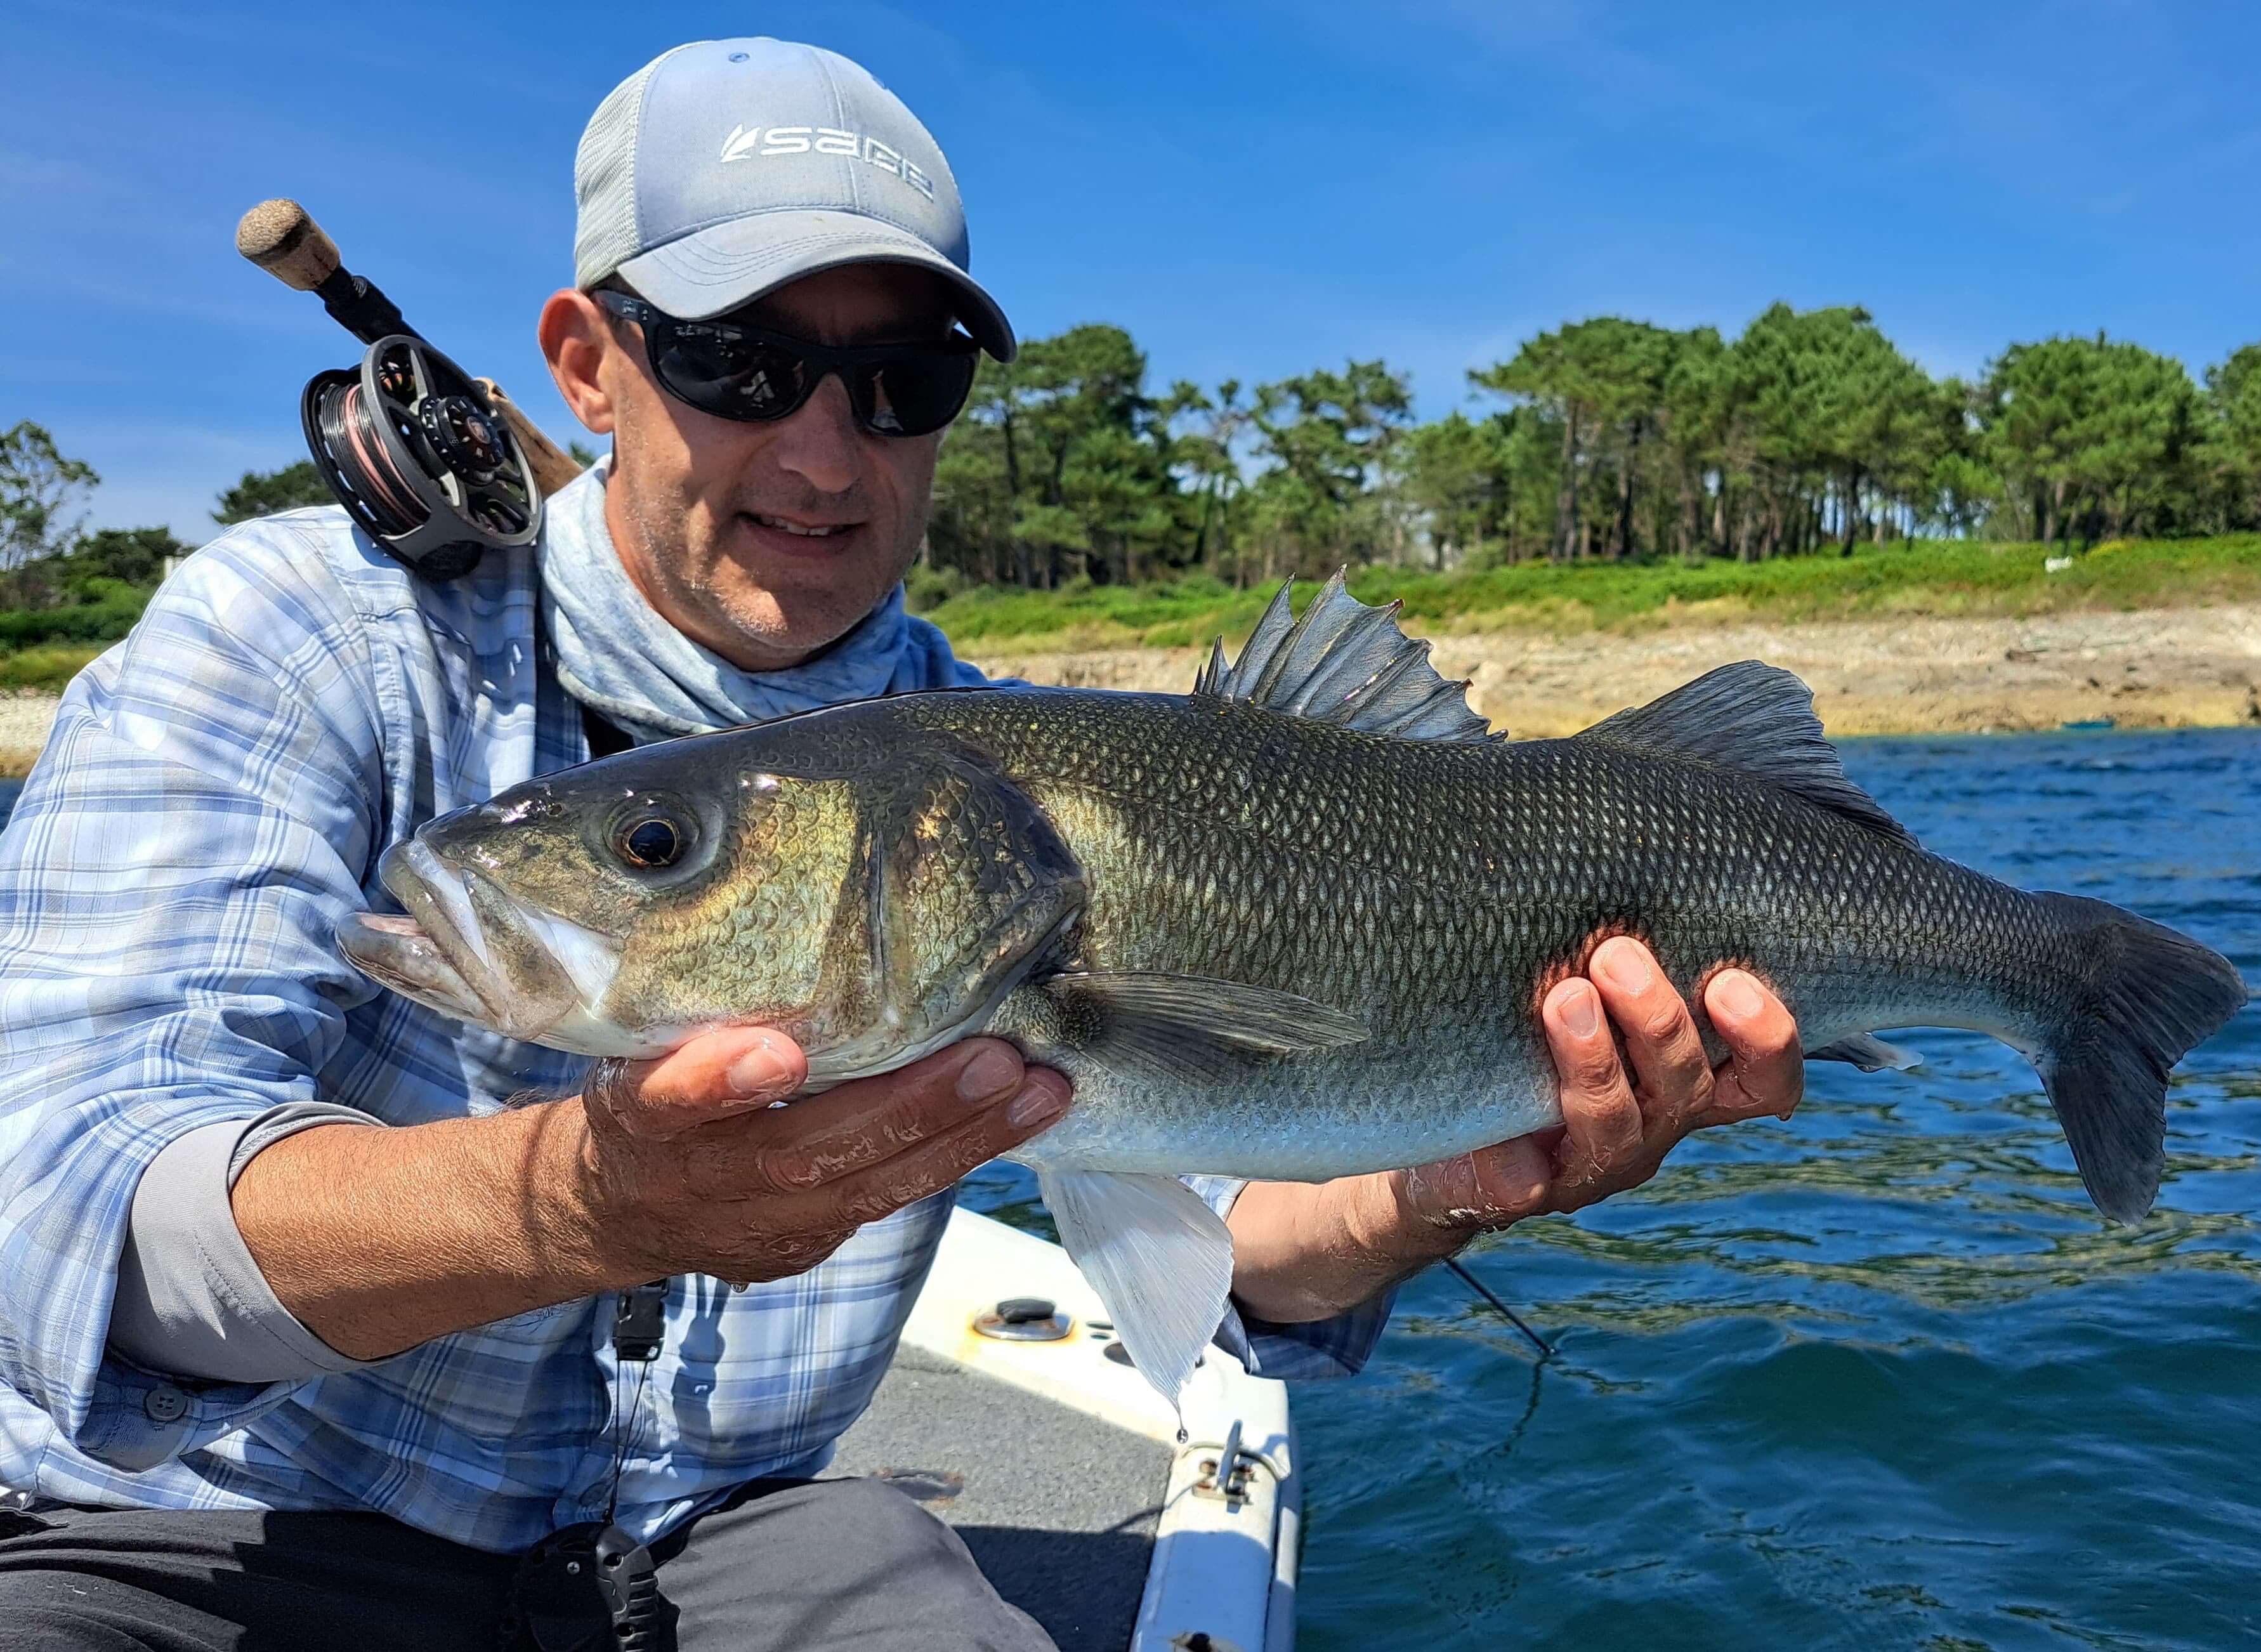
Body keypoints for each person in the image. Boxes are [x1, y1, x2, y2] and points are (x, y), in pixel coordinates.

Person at [0, 37, 1804, 1652]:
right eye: (738, 359)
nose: (825, 445)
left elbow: (1233, 1232)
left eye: (901, 376)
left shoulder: (999, 766)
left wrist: (1460, 1175)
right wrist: (567, 1204)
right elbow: (64, 1203)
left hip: (735, 1531)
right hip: (207, 1535)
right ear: (586, 365)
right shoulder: (291, 635)